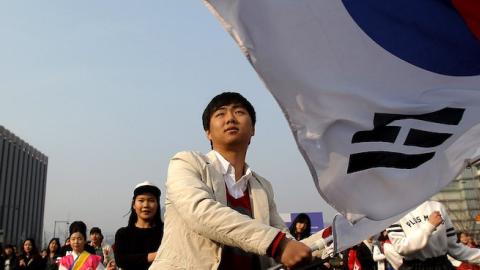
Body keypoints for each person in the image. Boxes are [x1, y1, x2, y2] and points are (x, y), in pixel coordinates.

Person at [149, 92, 330, 270]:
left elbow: (286, 245)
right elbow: (200, 212)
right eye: (220, 114)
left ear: (253, 129)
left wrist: (336, 234)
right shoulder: (187, 162)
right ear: (208, 133)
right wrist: (278, 244)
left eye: (239, 112)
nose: (230, 119)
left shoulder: (262, 186)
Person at [387, 200, 480, 270]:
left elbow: (454, 248)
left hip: (442, 266)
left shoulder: (437, 206)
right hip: (415, 267)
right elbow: (401, 247)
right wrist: (429, 226)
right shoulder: (392, 211)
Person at [114, 181, 163, 270]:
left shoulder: (166, 231)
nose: (146, 205)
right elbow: (121, 260)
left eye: (151, 200)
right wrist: (156, 256)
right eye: (141, 200)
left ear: (157, 205)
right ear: (133, 204)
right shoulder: (123, 234)